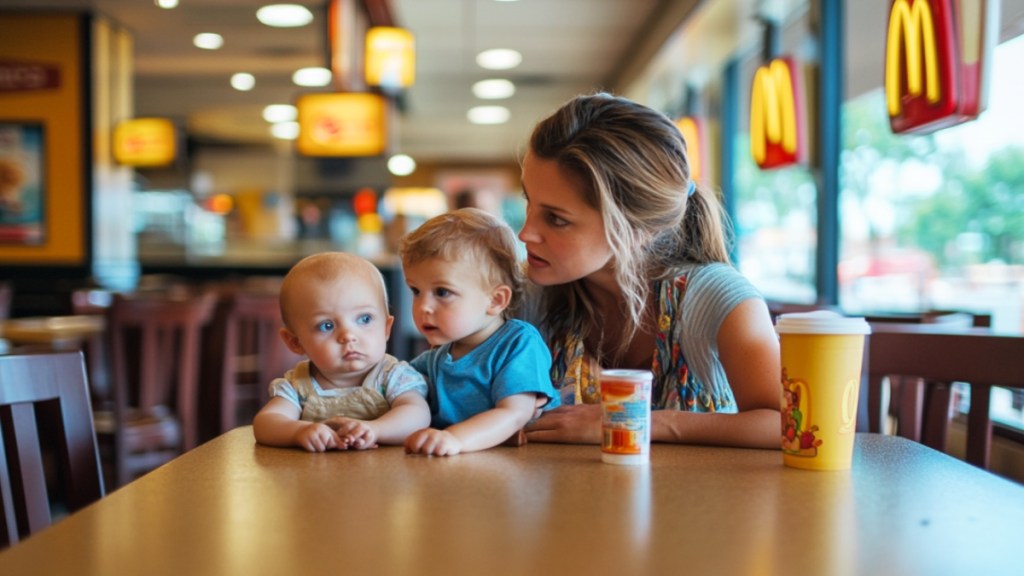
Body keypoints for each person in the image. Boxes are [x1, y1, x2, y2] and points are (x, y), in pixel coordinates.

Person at [518, 92, 781, 449]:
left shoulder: (718, 298)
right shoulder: (527, 297)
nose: (525, 232)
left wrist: (631, 419)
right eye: (528, 202)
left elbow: (788, 424)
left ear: (640, 230)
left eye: (556, 219)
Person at [399, 207, 560, 456]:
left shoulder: (518, 344)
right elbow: (395, 390)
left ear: (495, 300)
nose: (423, 307)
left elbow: (514, 413)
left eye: (442, 292)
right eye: (416, 291)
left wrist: (454, 439)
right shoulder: (433, 359)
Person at [253, 252, 431, 452]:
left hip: (383, 476)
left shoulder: (393, 377)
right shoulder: (299, 386)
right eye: (326, 325)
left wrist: (376, 429)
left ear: (386, 328)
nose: (348, 336)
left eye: (364, 319)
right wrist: (298, 432)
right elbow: (265, 423)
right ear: (295, 342)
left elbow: (417, 414)